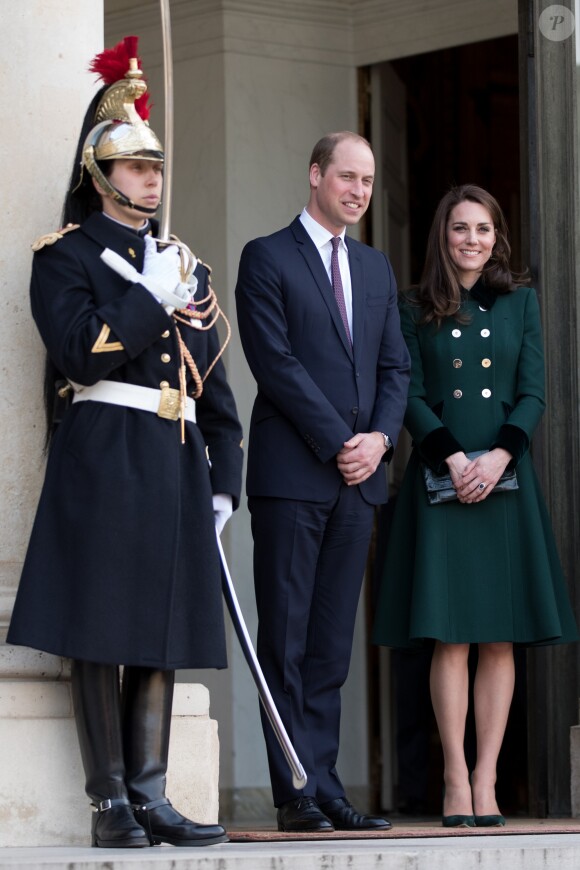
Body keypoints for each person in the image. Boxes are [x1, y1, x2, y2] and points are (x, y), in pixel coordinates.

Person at [7, 37, 243, 848]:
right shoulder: (65, 257)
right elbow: (79, 351)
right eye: (136, 165)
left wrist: (225, 480)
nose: (152, 176)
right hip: (105, 448)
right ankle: (109, 803)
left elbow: (213, 375)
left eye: (156, 165)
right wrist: (146, 299)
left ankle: (152, 796)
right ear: (101, 175)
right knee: (100, 629)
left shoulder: (182, 262)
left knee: (160, 627)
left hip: (173, 455)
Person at [372, 184, 578, 827]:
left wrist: (498, 458)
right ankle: (454, 781)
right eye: (461, 228)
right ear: (443, 234)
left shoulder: (520, 302)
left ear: (497, 237)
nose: (472, 240)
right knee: (450, 638)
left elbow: (533, 391)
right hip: (444, 482)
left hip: (504, 482)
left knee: (498, 638)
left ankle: (487, 778)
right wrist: (455, 459)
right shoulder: (413, 305)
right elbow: (407, 391)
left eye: (483, 229)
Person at [235, 131, 411, 832]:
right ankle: (296, 791)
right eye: (347, 177)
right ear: (315, 176)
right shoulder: (266, 257)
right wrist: (341, 440)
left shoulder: (375, 268)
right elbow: (273, 363)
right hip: (292, 477)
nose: (359, 192)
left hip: (358, 481)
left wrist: (378, 441)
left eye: (367, 181)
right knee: (286, 637)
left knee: (331, 643)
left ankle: (329, 782)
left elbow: (394, 368)